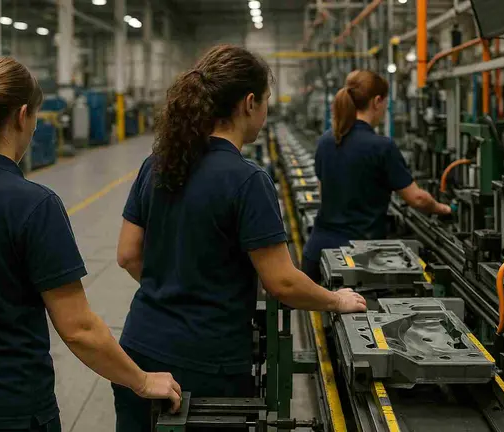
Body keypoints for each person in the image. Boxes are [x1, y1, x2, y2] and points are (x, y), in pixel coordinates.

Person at [0, 57, 181, 432]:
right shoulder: (34, 204)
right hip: (6, 414)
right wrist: (140, 380)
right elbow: (78, 329)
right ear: (23, 116)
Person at [114, 45, 368, 431]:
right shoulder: (247, 180)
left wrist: (173, 287)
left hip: (137, 351)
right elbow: (281, 282)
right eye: (266, 102)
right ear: (250, 103)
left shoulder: (157, 164)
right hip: (206, 364)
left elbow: (128, 255)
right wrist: (336, 300)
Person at [301, 70, 451, 282]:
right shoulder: (383, 147)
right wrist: (441, 208)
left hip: (318, 254)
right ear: (377, 101)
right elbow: (416, 198)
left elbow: (323, 190)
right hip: (357, 261)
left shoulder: (327, 140)